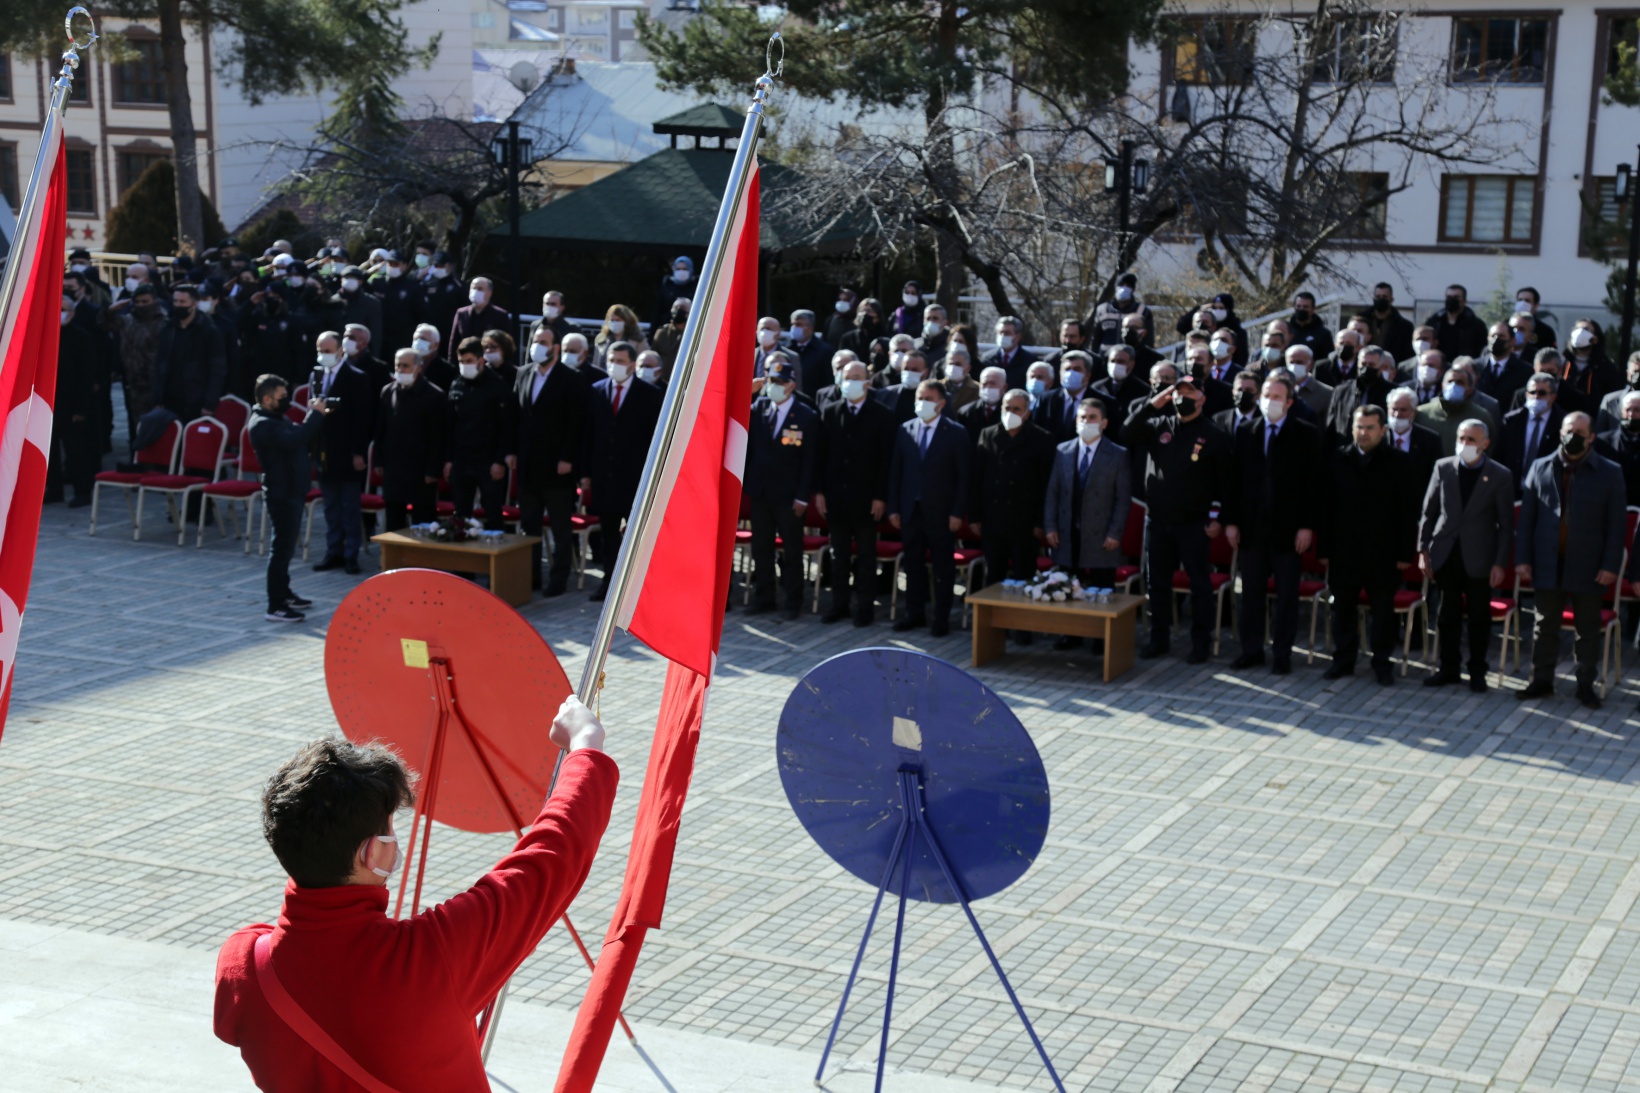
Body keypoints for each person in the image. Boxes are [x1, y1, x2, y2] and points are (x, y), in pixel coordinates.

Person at [214, 696, 617, 1091]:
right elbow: (550, 858)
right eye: (390, 830)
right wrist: (584, 745)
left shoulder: (243, 964)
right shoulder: (430, 958)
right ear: (371, 853)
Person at [1516, 411, 1628, 709]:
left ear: (1592, 436)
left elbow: (1616, 526)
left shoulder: (1609, 471)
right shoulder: (1540, 467)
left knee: (1587, 629)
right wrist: (1523, 559)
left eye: (1580, 431)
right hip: (1547, 562)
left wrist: (1610, 565)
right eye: (1569, 430)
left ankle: (1585, 684)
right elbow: (1527, 520)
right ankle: (1542, 680)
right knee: (1544, 625)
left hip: (1589, 565)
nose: (1573, 436)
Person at [1122, 376, 1232, 662]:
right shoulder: (1159, 426)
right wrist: (1151, 405)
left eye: (1189, 392)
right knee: (1157, 583)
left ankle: (1200, 643)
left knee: (1199, 584)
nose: (1183, 397)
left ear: (1202, 398)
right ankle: (1159, 638)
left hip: (1194, 522)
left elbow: (1225, 483)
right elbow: (1127, 432)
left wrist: (1218, 517)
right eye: (1179, 392)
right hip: (1157, 519)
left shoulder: (1214, 434)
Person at [1225, 375, 1320, 674]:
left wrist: (1307, 525)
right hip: (1252, 529)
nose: (1270, 401)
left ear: (1289, 402)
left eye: (1278, 397)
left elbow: (1313, 485)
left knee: (1286, 597)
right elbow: (1234, 482)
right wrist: (1231, 522)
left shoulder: (1305, 433)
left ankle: (1282, 654)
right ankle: (1251, 650)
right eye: (1266, 395)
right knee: (1250, 594)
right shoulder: (1245, 431)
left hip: (1288, 531)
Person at [1317, 406, 1417, 684]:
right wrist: (1323, 549)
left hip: (1384, 553)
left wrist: (1404, 552)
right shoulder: (1338, 459)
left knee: (1383, 613)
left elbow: (1407, 512)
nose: (1364, 433)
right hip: (1344, 551)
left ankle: (1382, 663)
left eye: (1370, 428)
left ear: (1383, 430)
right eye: (1359, 427)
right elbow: (1326, 508)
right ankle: (1343, 660)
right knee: (1343, 609)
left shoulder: (1399, 462)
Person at [1416, 418, 1515, 692]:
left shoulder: (1500, 475)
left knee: (1478, 617)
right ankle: (1448, 668)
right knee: (1446, 614)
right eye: (1461, 438)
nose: (1465, 444)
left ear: (1485, 444)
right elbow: (1428, 512)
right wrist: (1423, 550)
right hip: (1446, 552)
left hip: (1479, 556)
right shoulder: (1443, 467)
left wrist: (1499, 563)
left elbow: (1507, 526)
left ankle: (1478, 672)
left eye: (1472, 440)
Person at [1042, 399, 1130, 651]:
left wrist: (1115, 532)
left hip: (1101, 534)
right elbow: (1053, 492)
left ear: (1103, 423)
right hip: (1069, 532)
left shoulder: (1117, 454)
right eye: (1082, 417)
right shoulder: (1063, 450)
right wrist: (1050, 526)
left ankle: (1101, 639)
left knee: (1101, 589)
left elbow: (1122, 499)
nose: (1085, 422)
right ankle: (1071, 634)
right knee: (1070, 586)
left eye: (1092, 417)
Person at [579, 341, 663, 601]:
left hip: (635, 477)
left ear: (632, 364)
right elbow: (587, 434)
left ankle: (641, 588)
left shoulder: (649, 394)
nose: (615, 365)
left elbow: (656, 439)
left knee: (639, 535)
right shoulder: (596, 390)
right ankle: (609, 583)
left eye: (621, 361)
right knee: (609, 534)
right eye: (611, 360)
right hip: (605, 476)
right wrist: (586, 473)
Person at [887, 379, 971, 636]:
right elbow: (896, 472)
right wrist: (894, 508)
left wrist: (957, 512)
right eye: (919, 398)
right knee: (913, 566)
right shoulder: (905, 429)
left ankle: (941, 619)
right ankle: (914, 614)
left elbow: (963, 477)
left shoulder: (955, 432)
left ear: (941, 403)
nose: (922, 403)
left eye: (928, 399)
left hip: (941, 514)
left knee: (942, 569)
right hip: (911, 511)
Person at [970, 389, 1055, 642]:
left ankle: (1023, 629)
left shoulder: (1042, 439)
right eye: (1006, 408)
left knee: (1023, 576)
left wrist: (1041, 522)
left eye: (1016, 409)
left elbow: (1046, 485)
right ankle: (993, 628)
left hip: (1025, 522)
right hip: (994, 519)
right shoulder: (988, 434)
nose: (1010, 413)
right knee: (993, 575)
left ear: (1027, 412)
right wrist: (974, 515)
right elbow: (977, 478)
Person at [815, 361, 894, 626]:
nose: (851, 382)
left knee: (866, 557)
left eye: (857, 377)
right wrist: (820, 492)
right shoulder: (830, 411)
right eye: (847, 377)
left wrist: (880, 496)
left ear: (868, 383)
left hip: (867, 500)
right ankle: (840, 604)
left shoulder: (882, 414)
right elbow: (822, 456)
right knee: (839, 556)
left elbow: (886, 461)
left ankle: (865, 608)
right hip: (836, 497)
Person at [742, 359, 820, 620]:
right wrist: (748, 391)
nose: (773, 387)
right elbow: (735, 413)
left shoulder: (806, 416)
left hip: (789, 496)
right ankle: (764, 597)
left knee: (792, 550)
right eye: (770, 381)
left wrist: (802, 496)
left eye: (779, 382)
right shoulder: (759, 407)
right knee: (762, 547)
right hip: (761, 492)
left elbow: (809, 462)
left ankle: (793, 601)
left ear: (791, 385)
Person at [511, 325, 585, 596]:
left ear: (555, 348)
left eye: (543, 341)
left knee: (560, 527)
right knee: (529, 526)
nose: (537, 346)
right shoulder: (523, 373)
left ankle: (558, 580)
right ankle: (531, 577)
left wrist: (567, 457)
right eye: (535, 341)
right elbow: (518, 418)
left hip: (557, 468)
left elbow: (575, 423)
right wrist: (512, 452)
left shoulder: (571, 379)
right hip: (529, 467)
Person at [246, 376, 327, 622]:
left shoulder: (275, 418)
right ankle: (276, 605)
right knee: (280, 550)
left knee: (287, 547)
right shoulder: (262, 424)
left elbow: (298, 437)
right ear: (267, 399)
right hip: (282, 494)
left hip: (292, 490)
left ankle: (285, 593)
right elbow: (295, 440)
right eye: (282, 397)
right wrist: (315, 415)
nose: (287, 402)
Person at [309, 331, 378, 574]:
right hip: (325, 453)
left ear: (340, 351)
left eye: (327, 351)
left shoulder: (357, 377)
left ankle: (351, 554)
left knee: (349, 506)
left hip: (348, 452)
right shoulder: (316, 375)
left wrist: (358, 452)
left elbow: (362, 419)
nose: (323, 356)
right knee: (330, 506)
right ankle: (333, 551)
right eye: (320, 350)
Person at [373, 348, 449, 531]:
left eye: (405, 366)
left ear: (418, 368)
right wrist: (378, 459)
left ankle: (421, 560)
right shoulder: (388, 391)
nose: (400, 370)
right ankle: (392, 560)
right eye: (397, 365)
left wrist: (433, 470)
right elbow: (380, 430)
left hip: (421, 470)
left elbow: (439, 437)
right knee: (393, 521)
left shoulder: (434, 396)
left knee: (423, 522)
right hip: (394, 467)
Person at [446, 337, 512, 531]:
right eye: (462, 362)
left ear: (481, 360)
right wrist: (449, 459)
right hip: (462, 459)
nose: (465, 366)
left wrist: (500, 460)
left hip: (488, 460)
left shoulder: (497, 385)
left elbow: (506, 426)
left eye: (469, 361)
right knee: (460, 514)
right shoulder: (457, 383)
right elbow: (450, 424)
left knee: (492, 511)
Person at [52, 293, 103, 507]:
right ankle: (53, 490)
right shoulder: (47, 335)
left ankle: (82, 491)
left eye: (64, 309)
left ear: (72, 313)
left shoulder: (83, 337)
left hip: (74, 405)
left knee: (77, 453)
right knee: (50, 452)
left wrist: (81, 409)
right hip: (52, 404)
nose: (61, 313)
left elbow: (87, 377)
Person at [152, 283, 226, 419]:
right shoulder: (168, 329)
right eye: (175, 301)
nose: (178, 305)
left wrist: (209, 403)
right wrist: (158, 398)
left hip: (196, 399)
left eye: (182, 302)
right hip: (171, 399)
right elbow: (160, 363)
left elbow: (217, 369)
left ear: (194, 304)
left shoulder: (209, 331)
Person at [1495, 374, 1564, 496]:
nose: (1536, 396)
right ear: (1526, 394)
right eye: (1532, 392)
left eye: (1542, 393)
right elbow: (1499, 455)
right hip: (1512, 488)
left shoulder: (1562, 424)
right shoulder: (1511, 421)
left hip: (1546, 490)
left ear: (1553, 397)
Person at [1323, 344, 1394, 449]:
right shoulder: (1342, 390)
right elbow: (1331, 425)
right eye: (1363, 364)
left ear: (1381, 366)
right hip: (1345, 452)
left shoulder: (1392, 392)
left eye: (1371, 364)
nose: (1366, 368)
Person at [1416, 360, 1495, 451]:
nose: (1454, 386)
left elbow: (1489, 449)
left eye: (1460, 382)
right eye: (1450, 382)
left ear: (1470, 389)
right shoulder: (1422, 413)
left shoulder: (1482, 416)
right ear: (1442, 386)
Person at [1385, 387, 1442, 494]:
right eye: (1394, 409)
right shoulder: (1378, 436)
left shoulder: (1430, 440)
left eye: (1403, 410)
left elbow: (1434, 478)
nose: (1398, 414)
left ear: (1414, 413)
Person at [368, 249, 422, 355]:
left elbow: (420, 315)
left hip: (403, 339)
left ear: (404, 266)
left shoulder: (413, 287)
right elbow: (359, 283)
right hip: (380, 337)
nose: (392, 266)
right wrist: (369, 271)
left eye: (395, 264)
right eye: (389, 263)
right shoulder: (377, 283)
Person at [1596, 391, 1640, 506]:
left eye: (1637, 410)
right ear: (1621, 411)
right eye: (1628, 409)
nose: (1631, 414)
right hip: (1611, 503)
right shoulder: (1602, 442)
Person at [1041, 351, 1096, 442]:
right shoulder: (1046, 399)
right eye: (1067, 369)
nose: (1071, 373)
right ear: (1060, 373)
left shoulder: (1103, 402)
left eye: (1077, 369)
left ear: (1088, 375)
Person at [1424, 283, 1488, 361]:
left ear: (1464, 301)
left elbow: (1481, 351)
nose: (1452, 300)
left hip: (1463, 368)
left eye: (1456, 297)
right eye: (1449, 297)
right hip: (1437, 366)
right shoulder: (1434, 322)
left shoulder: (1477, 325)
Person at [1089, 271, 1153, 348]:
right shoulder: (1103, 309)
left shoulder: (1143, 311)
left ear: (1133, 289)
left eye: (1128, 286)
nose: (1124, 288)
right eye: (1121, 285)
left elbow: (1149, 340)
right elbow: (1095, 338)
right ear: (1116, 287)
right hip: (1107, 357)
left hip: (1131, 358)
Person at [327, 265, 383, 352]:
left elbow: (375, 333)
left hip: (361, 351)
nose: (350, 281)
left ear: (360, 282)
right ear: (342, 280)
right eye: (347, 277)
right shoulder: (332, 302)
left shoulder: (371, 303)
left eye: (353, 278)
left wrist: (374, 355)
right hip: (337, 351)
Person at [1476, 320, 1531, 407]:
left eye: (1501, 336)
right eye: (1493, 336)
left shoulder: (1525, 371)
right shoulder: (1475, 366)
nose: (1496, 339)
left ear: (1512, 341)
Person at [449, 276, 511, 354]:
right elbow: (454, 342)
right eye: (473, 288)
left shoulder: (500, 315)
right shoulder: (461, 313)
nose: (475, 291)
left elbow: (506, 345)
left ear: (489, 293)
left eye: (480, 289)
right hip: (466, 361)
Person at [1356, 282, 1415, 363]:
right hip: (1365, 363)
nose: (1381, 299)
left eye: (1384, 297)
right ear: (1373, 299)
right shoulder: (1360, 320)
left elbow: (1407, 354)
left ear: (1391, 299)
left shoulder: (1404, 326)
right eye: (1378, 296)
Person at [787, 309, 833, 401]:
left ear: (811, 328)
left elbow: (829, 382)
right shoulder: (787, 349)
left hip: (814, 401)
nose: (795, 328)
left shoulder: (825, 351)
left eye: (799, 325)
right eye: (793, 324)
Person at [873, 349, 928, 424]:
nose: (909, 372)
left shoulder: (937, 397)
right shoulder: (884, 395)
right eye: (906, 369)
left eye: (914, 370)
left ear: (925, 372)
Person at [981, 315, 1037, 390]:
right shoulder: (987, 359)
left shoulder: (1030, 361)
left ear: (1018, 336)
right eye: (1000, 333)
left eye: (1007, 333)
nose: (1003, 336)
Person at [594, 304, 648, 372]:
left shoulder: (638, 340)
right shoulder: (601, 339)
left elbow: (643, 363)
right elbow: (595, 363)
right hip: (603, 378)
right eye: (612, 320)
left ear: (627, 321)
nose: (614, 323)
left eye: (618, 320)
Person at [958, 365, 1007, 439]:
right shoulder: (966, 412)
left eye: (992, 383)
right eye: (984, 384)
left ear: (1004, 387)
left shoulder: (1010, 412)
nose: (988, 387)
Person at [1596, 350, 1640, 430]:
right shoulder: (1610, 401)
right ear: (1628, 374)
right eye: (1636, 372)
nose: (1638, 376)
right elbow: (1600, 434)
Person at [1287, 291, 1335, 360]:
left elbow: (1327, 360)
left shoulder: (1324, 335)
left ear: (1313, 309)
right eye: (1298, 306)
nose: (1301, 309)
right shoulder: (1287, 331)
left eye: (1305, 307)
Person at [654, 255, 697, 327]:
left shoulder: (696, 288)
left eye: (685, 269)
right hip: (667, 330)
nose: (681, 271)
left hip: (691, 327)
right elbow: (658, 312)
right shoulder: (667, 287)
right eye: (678, 269)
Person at [412, 323, 455, 390]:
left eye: (423, 339)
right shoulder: (408, 364)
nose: (418, 342)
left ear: (436, 345)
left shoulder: (448, 371)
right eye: (415, 339)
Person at [651, 297, 689, 369]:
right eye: (676, 308)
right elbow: (654, 355)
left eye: (682, 308)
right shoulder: (662, 332)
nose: (678, 310)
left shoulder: (693, 334)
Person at [939, 345, 980, 409]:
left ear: (968, 369)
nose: (953, 367)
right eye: (951, 364)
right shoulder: (937, 388)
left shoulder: (978, 390)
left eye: (958, 364)